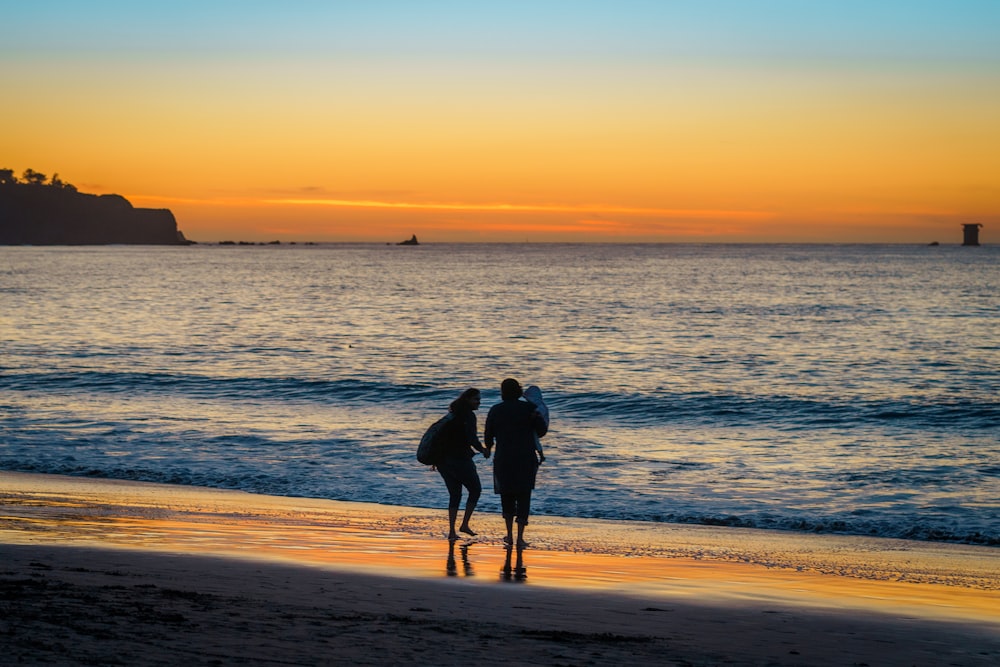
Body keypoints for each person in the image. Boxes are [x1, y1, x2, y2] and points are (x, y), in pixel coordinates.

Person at [484, 378, 548, 547]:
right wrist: (537, 419)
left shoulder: (496, 410)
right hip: (525, 457)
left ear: (502, 391)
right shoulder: (529, 408)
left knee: (507, 495)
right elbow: (541, 432)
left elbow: (488, 434)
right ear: (519, 391)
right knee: (524, 495)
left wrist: (488, 449)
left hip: (504, 457)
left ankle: (509, 535)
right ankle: (520, 538)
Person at [435, 387, 488, 540]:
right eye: (476, 399)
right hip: (460, 459)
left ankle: (452, 531)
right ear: (467, 400)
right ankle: (464, 524)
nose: (479, 402)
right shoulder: (469, 416)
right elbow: (472, 438)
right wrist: (482, 449)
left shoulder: (451, 415)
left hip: (443, 461)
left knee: (455, 494)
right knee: (475, 489)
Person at [522, 385, 549, 463]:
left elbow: (538, 414)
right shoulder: (541, 404)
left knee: (535, 440)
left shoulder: (539, 406)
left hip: (536, 427)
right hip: (537, 427)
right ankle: (541, 455)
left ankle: (541, 455)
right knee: (535, 440)